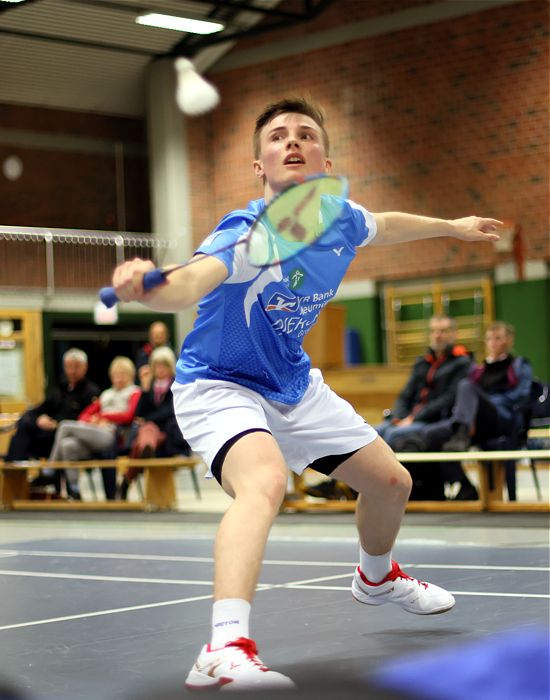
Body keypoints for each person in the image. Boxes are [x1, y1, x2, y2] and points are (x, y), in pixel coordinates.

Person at [110, 97, 502, 690]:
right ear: (259, 166)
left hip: (293, 382)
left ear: (324, 159)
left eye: (306, 135)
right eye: (277, 137)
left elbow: (387, 224)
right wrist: (149, 287)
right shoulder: (245, 233)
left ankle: (376, 579)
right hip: (222, 384)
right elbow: (190, 282)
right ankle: (223, 648)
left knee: (393, 482)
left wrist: (452, 226)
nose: (292, 142)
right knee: (264, 482)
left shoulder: (341, 218)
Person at [305, 315, 471, 499]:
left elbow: (449, 399)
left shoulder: (461, 363)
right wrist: (399, 417)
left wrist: (413, 419)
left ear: (453, 334)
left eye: (443, 331)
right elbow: (405, 395)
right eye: (434, 331)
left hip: (435, 421)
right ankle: (341, 482)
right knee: (368, 431)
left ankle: (372, 485)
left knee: (393, 435)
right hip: (406, 420)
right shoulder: (422, 362)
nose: (438, 335)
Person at [422, 321, 533, 499]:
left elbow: (523, 395)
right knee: (431, 434)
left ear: (509, 340)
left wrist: (488, 402)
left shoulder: (519, 365)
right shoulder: (478, 369)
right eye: (489, 338)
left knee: (466, 386)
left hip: (500, 417)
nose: (494, 342)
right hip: (473, 420)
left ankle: (462, 433)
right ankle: (466, 487)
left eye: (498, 338)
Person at [6, 348, 99, 495]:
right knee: (24, 423)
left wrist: (56, 423)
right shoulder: (58, 389)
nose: (72, 371)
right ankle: (12, 472)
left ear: (85, 368)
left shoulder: (91, 391)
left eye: (76, 367)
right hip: (45, 435)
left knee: (61, 439)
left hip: (66, 437)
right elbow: (40, 408)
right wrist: (39, 418)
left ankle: (44, 475)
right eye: (69, 367)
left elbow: (85, 420)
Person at [48, 356, 141, 499]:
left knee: (64, 426)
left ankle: (51, 466)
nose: (119, 378)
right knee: (67, 445)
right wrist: (93, 420)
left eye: (123, 374)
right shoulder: (106, 394)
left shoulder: (134, 392)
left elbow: (128, 416)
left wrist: (103, 417)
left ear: (130, 376)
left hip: (113, 434)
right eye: (116, 375)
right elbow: (84, 415)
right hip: (94, 433)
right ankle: (75, 488)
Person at [119, 346, 190, 500]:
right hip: (152, 434)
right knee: (148, 430)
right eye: (156, 366)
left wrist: (148, 419)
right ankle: (146, 449)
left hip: (168, 434)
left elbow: (170, 411)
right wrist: (144, 390)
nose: (160, 369)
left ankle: (126, 480)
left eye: (163, 365)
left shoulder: (177, 385)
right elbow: (138, 414)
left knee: (147, 429)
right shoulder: (150, 386)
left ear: (170, 366)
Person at [135, 321, 171, 386]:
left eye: (161, 333)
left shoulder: (172, 354)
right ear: (150, 335)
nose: (158, 336)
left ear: (166, 335)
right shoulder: (143, 354)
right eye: (155, 333)